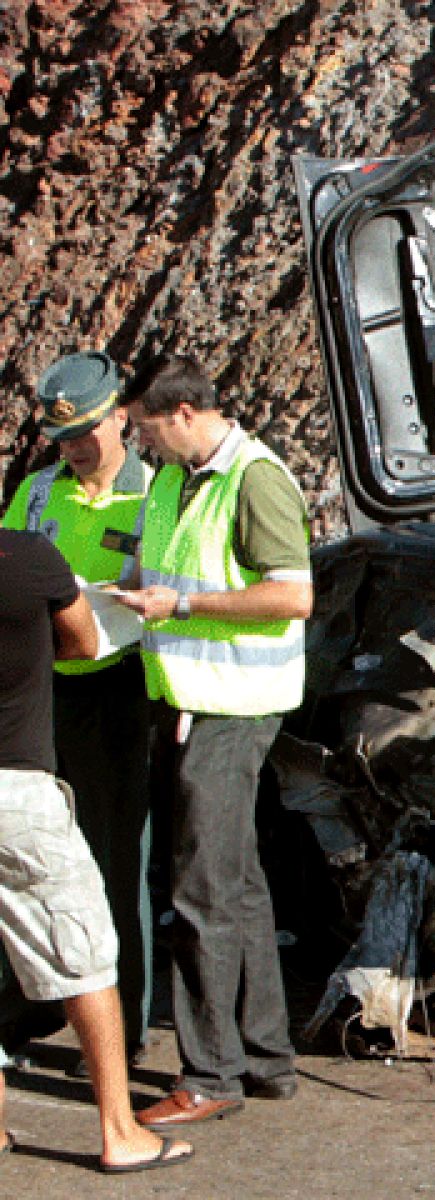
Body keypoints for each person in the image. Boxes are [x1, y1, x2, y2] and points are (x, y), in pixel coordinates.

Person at [114, 354, 312, 1128]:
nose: (144, 442)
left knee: (199, 891)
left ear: (187, 413)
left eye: (149, 428)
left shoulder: (255, 477)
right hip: (195, 701)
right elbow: (159, 569)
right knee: (237, 884)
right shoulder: (174, 480)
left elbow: (293, 593)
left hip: (235, 706)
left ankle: (211, 1076)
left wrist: (182, 603)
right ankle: (264, 1059)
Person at [0, 527, 193, 1172]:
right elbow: (82, 645)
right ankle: (120, 1131)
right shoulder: (27, 557)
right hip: (17, 790)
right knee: (84, 955)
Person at [1, 351, 155, 1073]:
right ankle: (34, 1005)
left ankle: (124, 1027)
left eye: (88, 431)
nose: (76, 447)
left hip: (118, 689)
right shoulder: (35, 493)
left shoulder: (154, 492)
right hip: (45, 692)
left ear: (120, 412)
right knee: (37, 860)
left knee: (114, 857)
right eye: (63, 437)